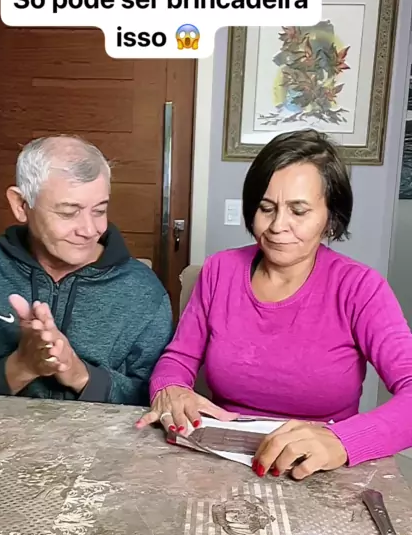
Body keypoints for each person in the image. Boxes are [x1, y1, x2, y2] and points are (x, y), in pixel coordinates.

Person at [137, 129, 412, 479]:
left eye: (299, 211)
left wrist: (341, 441)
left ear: (330, 218)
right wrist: (170, 389)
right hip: (222, 462)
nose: (278, 226)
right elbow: (178, 359)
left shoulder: (360, 288)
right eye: (266, 208)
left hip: (318, 472)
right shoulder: (220, 270)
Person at [0, 135, 173, 405]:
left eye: (99, 211)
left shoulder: (144, 292)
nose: (89, 230)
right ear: (21, 205)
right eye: (69, 212)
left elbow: (157, 398)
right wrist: (19, 367)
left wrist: (81, 375)